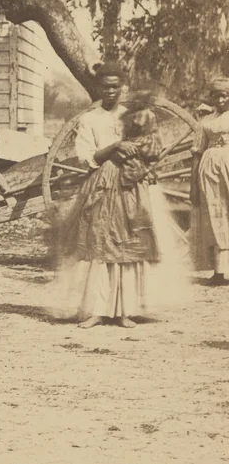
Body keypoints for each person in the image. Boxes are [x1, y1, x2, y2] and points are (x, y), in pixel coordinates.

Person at [53, 64, 185, 327]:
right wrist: (115, 146)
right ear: (98, 88)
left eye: (115, 86)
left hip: (130, 185)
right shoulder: (89, 120)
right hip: (102, 182)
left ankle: (125, 309)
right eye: (106, 86)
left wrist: (142, 161)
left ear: (122, 87)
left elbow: (150, 147)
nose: (111, 91)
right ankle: (97, 310)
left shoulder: (133, 115)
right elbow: (87, 158)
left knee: (128, 241)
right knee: (100, 243)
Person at [191, 77, 229, 284]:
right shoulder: (206, 121)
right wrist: (193, 185)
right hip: (209, 170)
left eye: (224, 95)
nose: (220, 99)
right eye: (216, 95)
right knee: (215, 215)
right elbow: (197, 153)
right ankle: (219, 271)